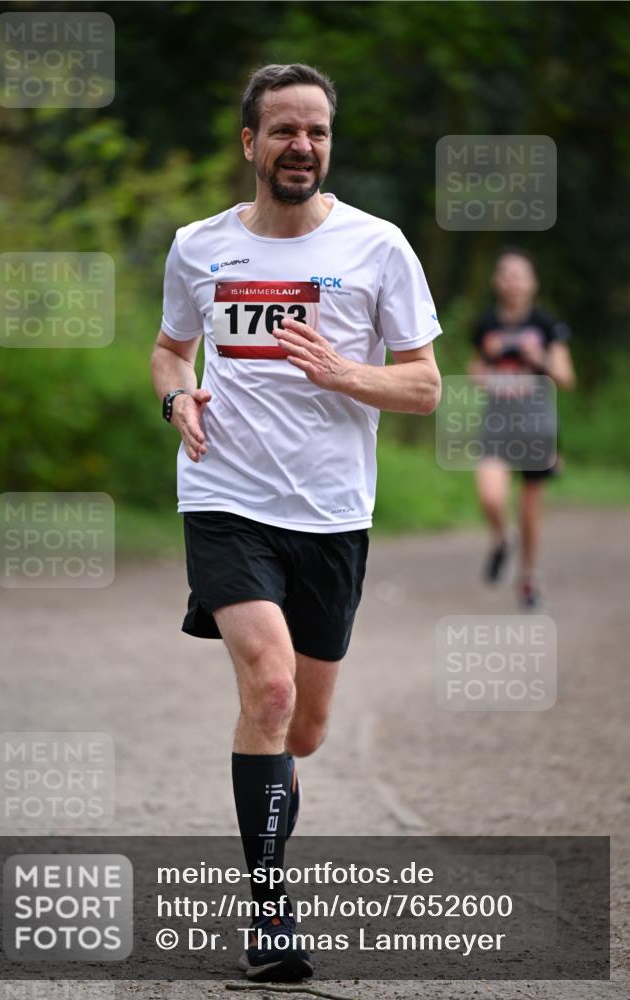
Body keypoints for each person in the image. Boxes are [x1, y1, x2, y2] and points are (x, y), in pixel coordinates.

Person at [150, 63, 442, 982]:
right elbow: (169, 351)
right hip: (223, 497)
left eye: (315, 131)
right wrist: (175, 403)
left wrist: (343, 375)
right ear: (250, 143)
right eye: (283, 130)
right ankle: (270, 918)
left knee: (304, 727)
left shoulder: (378, 247)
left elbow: (425, 385)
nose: (300, 146)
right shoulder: (199, 247)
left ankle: (271, 787)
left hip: (329, 514)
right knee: (269, 692)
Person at [468, 248, 576, 609]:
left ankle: (528, 579)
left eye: (520, 275)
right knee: (491, 496)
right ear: (496, 281)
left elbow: (565, 377)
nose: (513, 281)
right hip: (497, 424)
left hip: (535, 426)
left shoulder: (546, 326)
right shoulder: (486, 326)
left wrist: (538, 359)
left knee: (530, 508)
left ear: (532, 283)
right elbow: (474, 374)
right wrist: (490, 375)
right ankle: (503, 539)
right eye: (507, 274)